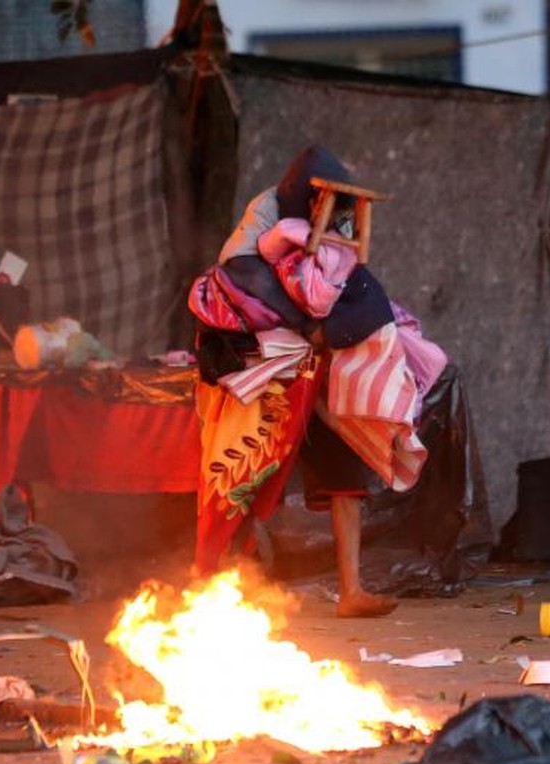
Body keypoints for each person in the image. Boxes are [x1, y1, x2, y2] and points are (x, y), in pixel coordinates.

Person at [189, 144, 449, 618]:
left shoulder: (342, 212)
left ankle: (352, 591)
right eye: (315, 202)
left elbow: (349, 280)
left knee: (344, 470)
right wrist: (302, 319)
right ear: (300, 196)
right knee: (244, 473)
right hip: (266, 366)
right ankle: (213, 590)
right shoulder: (268, 209)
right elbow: (239, 275)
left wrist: (326, 327)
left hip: (321, 362)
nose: (321, 212)